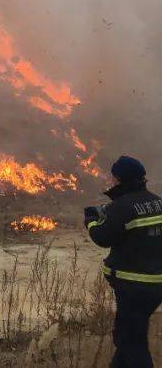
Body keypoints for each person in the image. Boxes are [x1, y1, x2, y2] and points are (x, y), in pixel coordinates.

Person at [86, 155, 162, 367]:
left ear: (120, 179)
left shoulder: (122, 207)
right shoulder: (158, 201)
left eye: (114, 178)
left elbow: (102, 237)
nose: (111, 181)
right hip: (156, 285)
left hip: (133, 286)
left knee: (131, 343)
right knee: (129, 337)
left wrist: (91, 221)